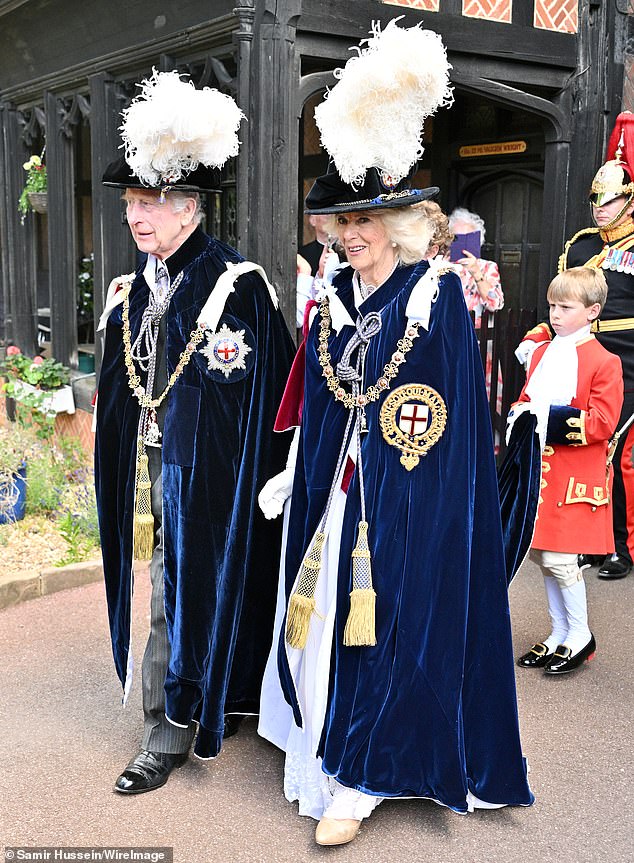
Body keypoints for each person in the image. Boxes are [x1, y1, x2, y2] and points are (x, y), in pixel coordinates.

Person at [257, 20, 533, 847]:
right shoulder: (339, 295)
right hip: (337, 493)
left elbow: (438, 416)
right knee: (332, 619)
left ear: (406, 220)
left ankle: (367, 773)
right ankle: (332, 747)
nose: (350, 235)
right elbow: (327, 394)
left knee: (387, 622)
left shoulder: (434, 296)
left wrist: (411, 501)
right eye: (341, 222)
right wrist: (301, 465)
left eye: (366, 221)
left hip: (404, 503)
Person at [94, 70, 295, 794]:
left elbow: (260, 396)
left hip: (213, 476)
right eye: (130, 203)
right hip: (159, 466)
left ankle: (172, 720)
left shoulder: (234, 285)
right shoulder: (139, 286)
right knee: (169, 584)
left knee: (191, 586)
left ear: (188, 209)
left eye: (149, 203)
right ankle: (190, 699)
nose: (136, 217)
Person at [519, 113, 634, 579]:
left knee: (619, 452)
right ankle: (590, 539)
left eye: (609, 202)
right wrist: (539, 335)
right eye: (595, 201)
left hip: (628, 357)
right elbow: (564, 302)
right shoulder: (583, 246)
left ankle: (622, 547)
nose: (599, 210)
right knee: (581, 452)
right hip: (579, 357)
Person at [507, 267, 622, 674]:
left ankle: (580, 635)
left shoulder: (604, 361)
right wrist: (522, 414)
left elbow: (603, 423)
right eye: (553, 305)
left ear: (592, 311)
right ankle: (559, 632)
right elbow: (526, 398)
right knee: (541, 555)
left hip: (575, 475)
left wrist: (548, 419)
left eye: (566, 307)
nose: (555, 314)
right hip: (539, 474)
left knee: (561, 560)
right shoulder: (541, 352)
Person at [448, 207, 504, 323]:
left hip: (476, 334)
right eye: (457, 238)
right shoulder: (440, 264)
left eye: (468, 238)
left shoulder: (488, 267)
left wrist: (476, 273)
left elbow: (496, 305)